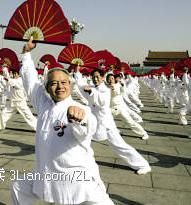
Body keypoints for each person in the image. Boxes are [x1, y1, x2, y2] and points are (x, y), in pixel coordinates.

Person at [11, 37, 114, 205]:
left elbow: (88, 128)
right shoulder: (44, 104)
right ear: (47, 87)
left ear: (70, 85)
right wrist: (26, 53)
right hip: (46, 174)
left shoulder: (79, 108)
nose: (60, 86)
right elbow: (30, 83)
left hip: (77, 178)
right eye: (54, 83)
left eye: (64, 82)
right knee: (18, 187)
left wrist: (80, 119)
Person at [75, 66, 151, 174]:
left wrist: (92, 91)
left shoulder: (104, 90)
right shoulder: (92, 87)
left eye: (97, 77)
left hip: (105, 124)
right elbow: (81, 85)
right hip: (93, 122)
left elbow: (101, 101)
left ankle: (143, 164)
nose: (95, 79)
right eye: (93, 77)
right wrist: (77, 72)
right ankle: (77, 163)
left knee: (120, 145)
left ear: (102, 77)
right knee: (79, 139)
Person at [107, 74, 149, 139]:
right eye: (109, 79)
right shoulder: (106, 87)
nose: (110, 80)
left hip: (119, 107)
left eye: (112, 78)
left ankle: (144, 133)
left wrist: (116, 88)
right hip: (110, 108)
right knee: (104, 120)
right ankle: (114, 131)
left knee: (130, 122)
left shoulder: (117, 85)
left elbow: (120, 92)